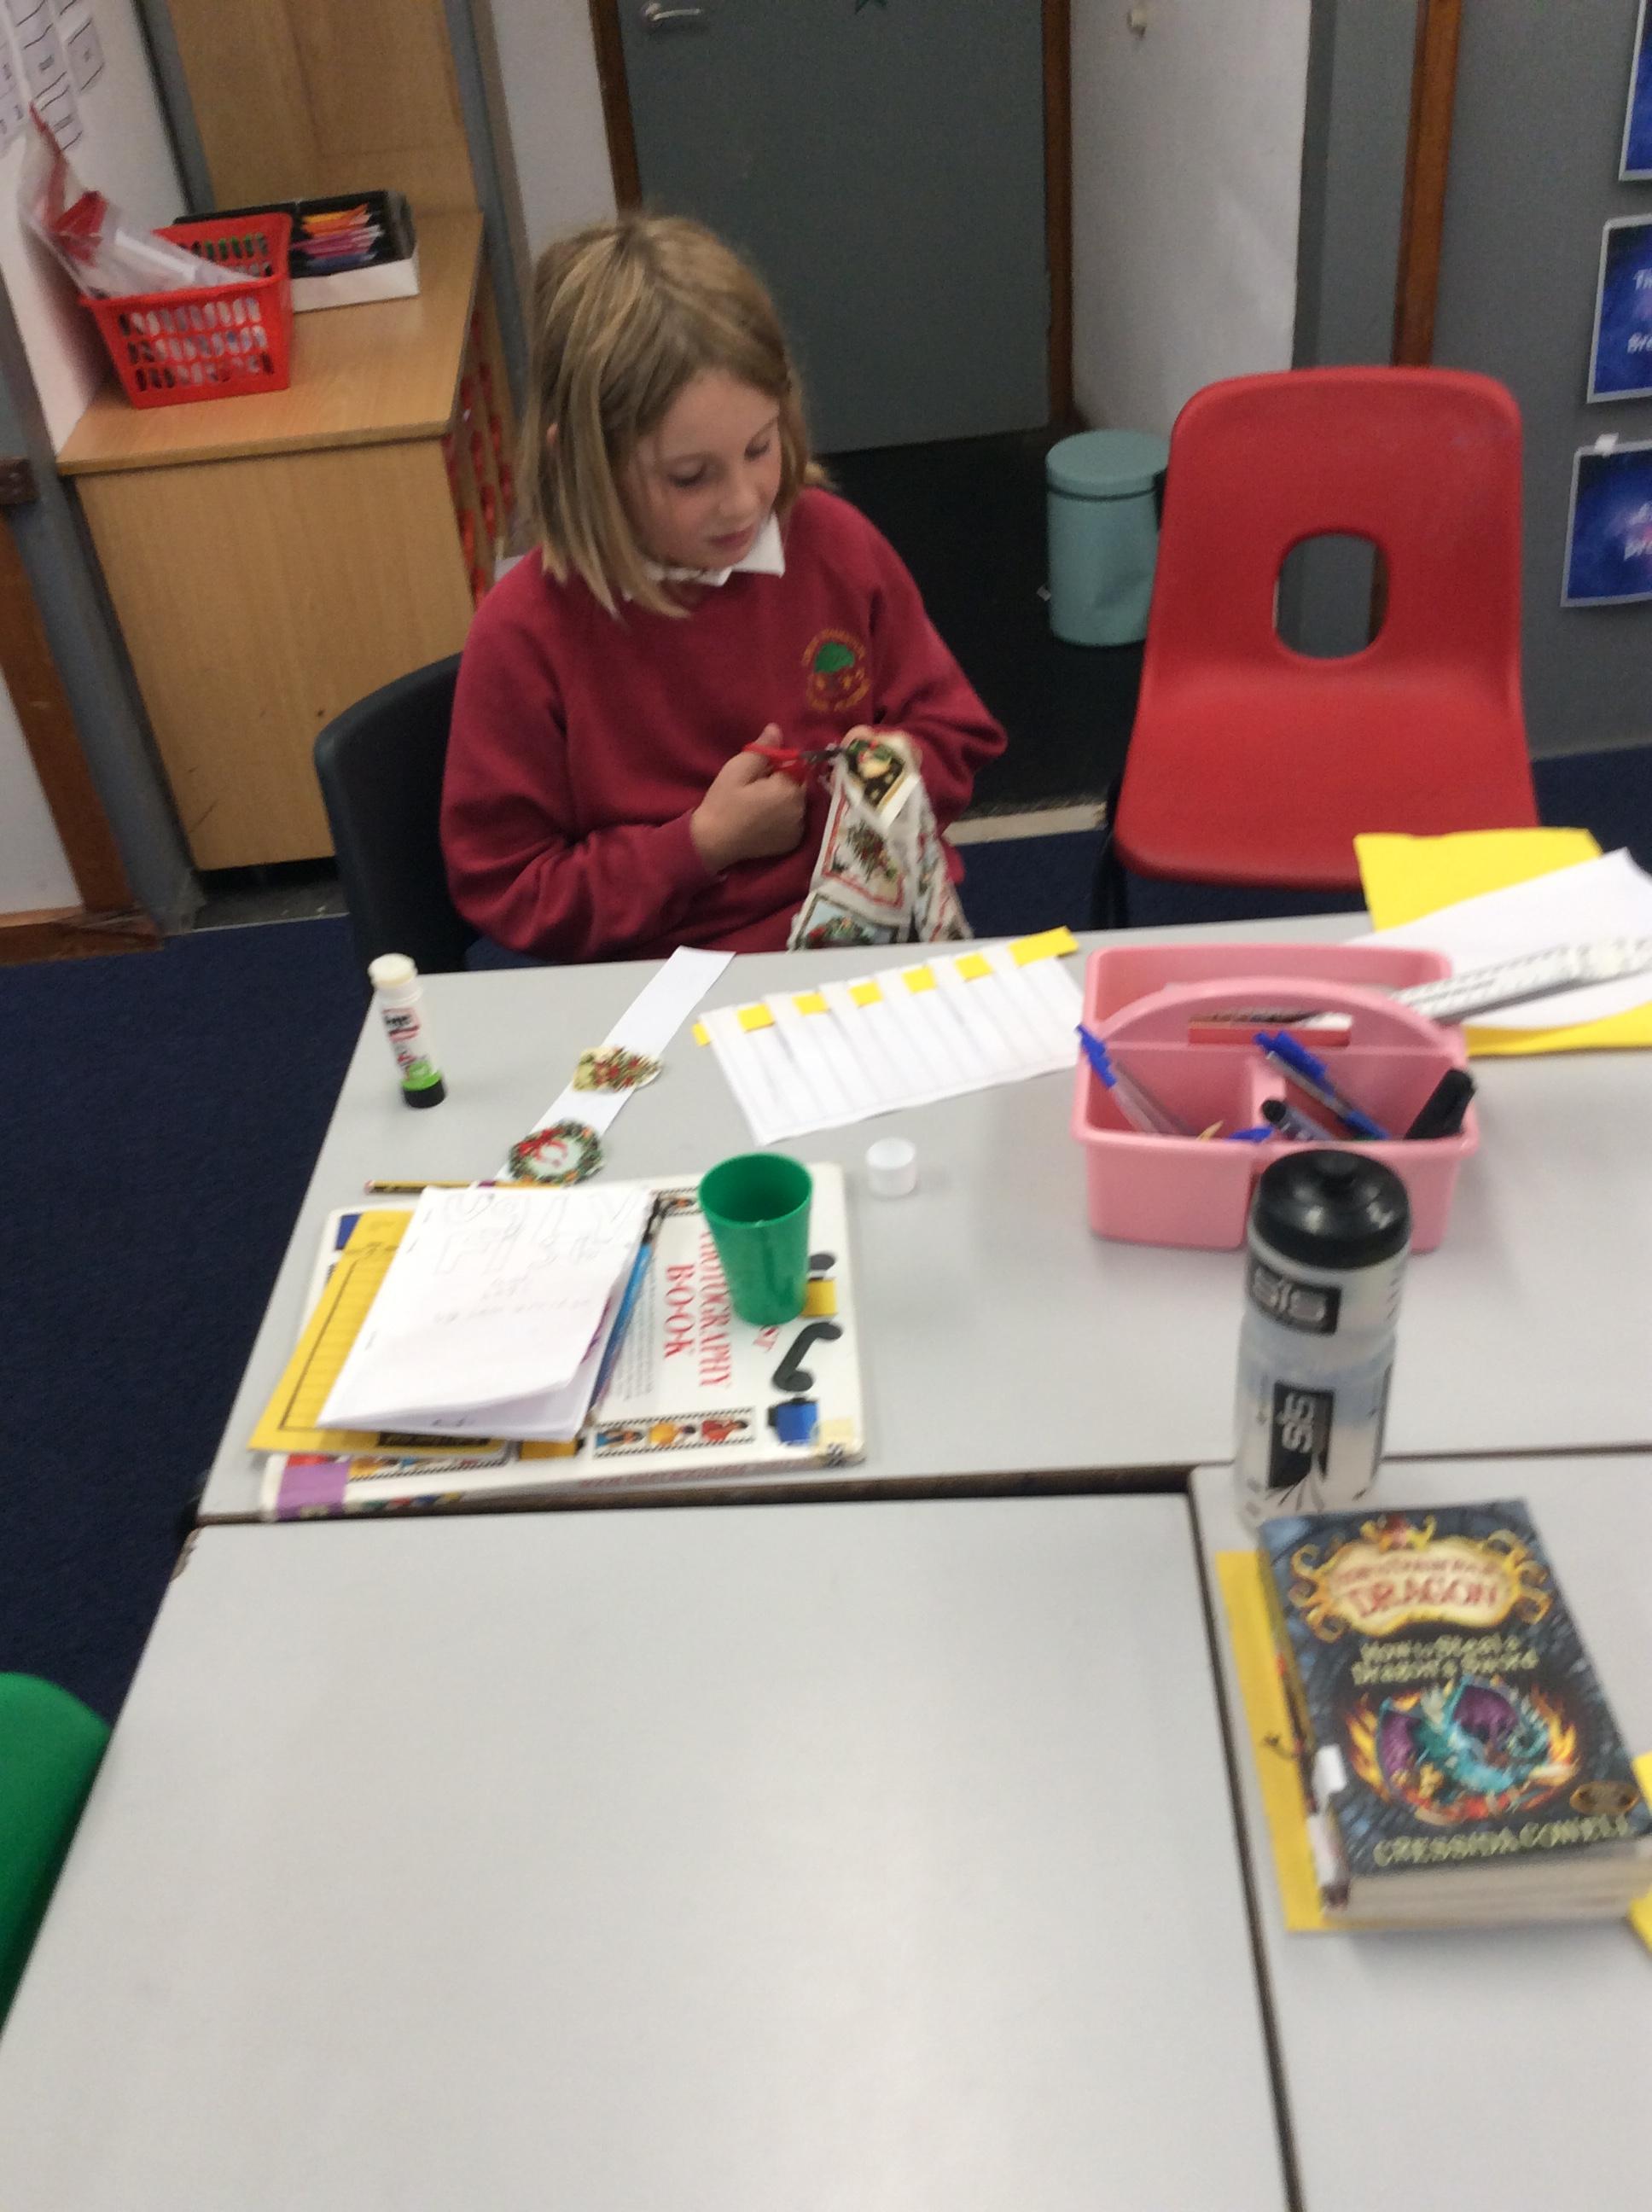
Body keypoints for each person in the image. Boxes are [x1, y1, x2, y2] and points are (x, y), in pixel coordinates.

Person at [441, 214, 1004, 963]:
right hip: (667, 975)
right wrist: (700, 845)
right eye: (690, 477)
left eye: (760, 447)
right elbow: (511, 888)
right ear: (582, 462)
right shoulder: (526, 631)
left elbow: (957, 735)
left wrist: (894, 771)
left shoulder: (834, 544)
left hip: (870, 939)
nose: (743, 502)